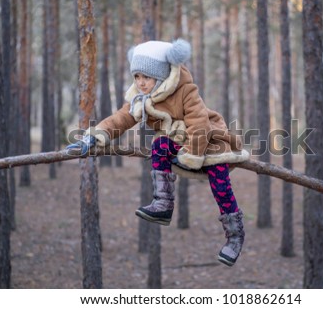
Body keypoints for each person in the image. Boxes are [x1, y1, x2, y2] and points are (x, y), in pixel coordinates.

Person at [67, 39, 250, 266]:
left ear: (162, 76)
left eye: (147, 77)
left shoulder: (185, 91)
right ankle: (163, 204)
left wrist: (193, 155)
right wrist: (94, 136)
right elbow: (120, 119)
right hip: (177, 142)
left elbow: (200, 124)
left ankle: (235, 235)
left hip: (207, 140)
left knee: (220, 181)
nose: (141, 83)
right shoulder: (140, 99)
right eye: (137, 77)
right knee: (160, 144)